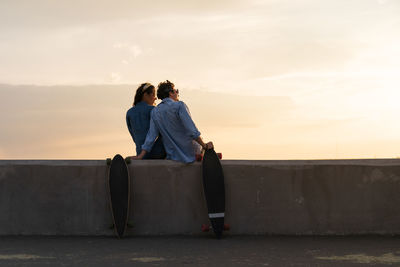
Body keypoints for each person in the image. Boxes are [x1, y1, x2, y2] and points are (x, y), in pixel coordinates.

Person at [133, 80, 213, 163]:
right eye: (176, 91)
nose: (178, 94)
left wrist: (141, 156)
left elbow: (151, 136)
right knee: (207, 146)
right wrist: (204, 145)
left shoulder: (155, 112)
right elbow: (192, 130)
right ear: (171, 93)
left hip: (172, 157)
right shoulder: (179, 105)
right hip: (191, 153)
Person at [126, 83, 166, 159]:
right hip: (157, 153)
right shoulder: (153, 110)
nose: (155, 98)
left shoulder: (129, 113)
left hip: (140, 152)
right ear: (145, 95)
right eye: (153, 94)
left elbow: (134, 136)